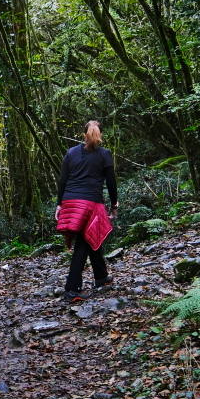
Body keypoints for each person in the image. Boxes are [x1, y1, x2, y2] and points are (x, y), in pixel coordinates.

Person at [55, 120, 117, 302]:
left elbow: (63, 180)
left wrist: (59, 204)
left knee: (91, 237)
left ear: (83, 134)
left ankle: (101, 276)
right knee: (83, 243)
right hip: (90, 204)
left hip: (70, 202)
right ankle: (72, 289)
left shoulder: (71, 153)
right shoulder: (104, 155)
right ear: (101, 135)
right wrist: (114, 205)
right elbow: (111, 183)